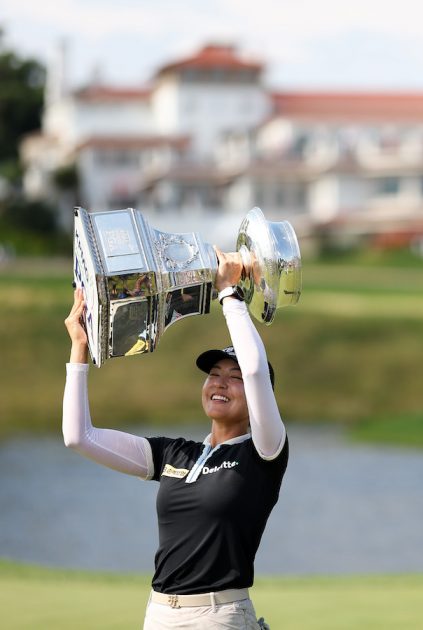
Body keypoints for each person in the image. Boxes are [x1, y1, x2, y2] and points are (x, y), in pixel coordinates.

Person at [62, 247, 288, 629]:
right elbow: (78, 436)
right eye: (214, 373)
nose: (220, 382)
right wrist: (79, 348)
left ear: (257, 398)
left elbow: (254, 370)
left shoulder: (263, 452)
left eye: (232, 378)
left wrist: (228, 292)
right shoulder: (174, 453)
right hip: (159, 614)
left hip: (220, 616)